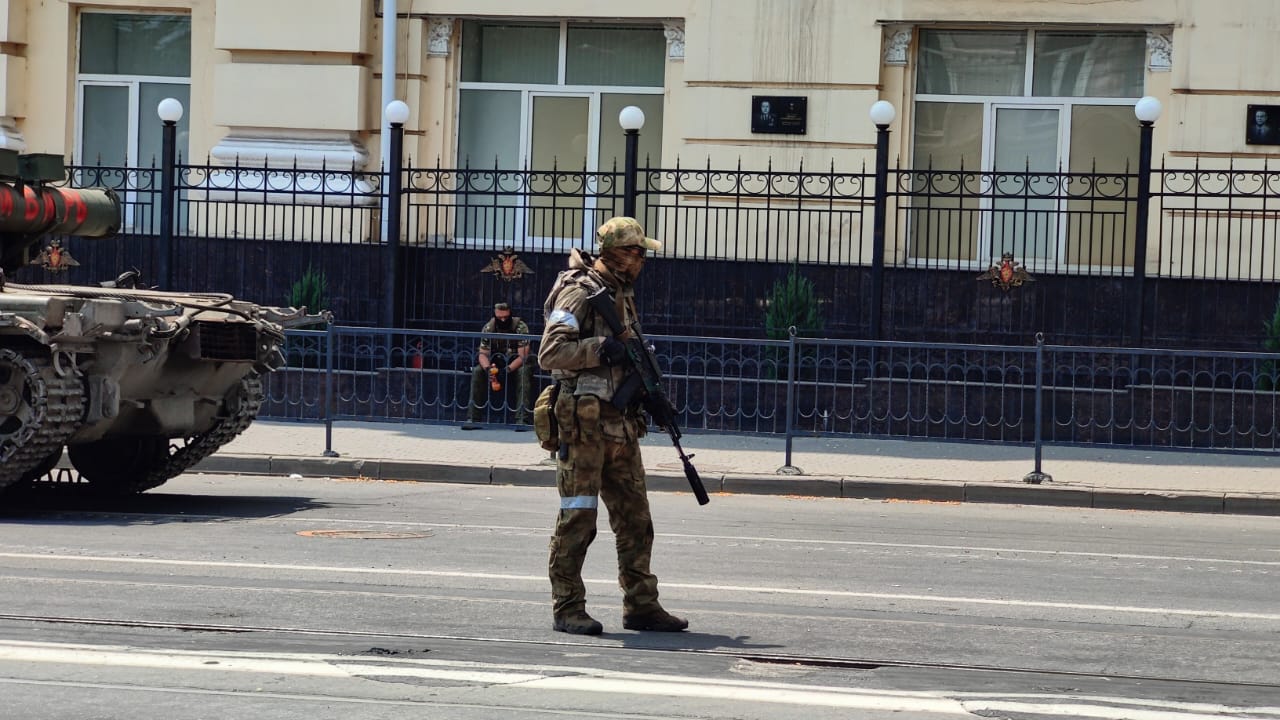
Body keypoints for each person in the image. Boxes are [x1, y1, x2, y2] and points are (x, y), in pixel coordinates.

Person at [537, 216, 688, 636]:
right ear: (619, 253)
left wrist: (649, 395)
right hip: (583, 428)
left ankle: (641, 605)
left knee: (636, 521)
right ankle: (568, 607)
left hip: (621, 426)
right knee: (578, 518)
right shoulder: (579, 292)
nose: (642, 261)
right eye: (637, 253)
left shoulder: (621, 294)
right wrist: (601, 349)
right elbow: (550, 353)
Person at [462, 302, 533, 430]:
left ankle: (522, 419)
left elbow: (523, 356)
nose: (503, 320)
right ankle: (473, 418)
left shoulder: (520, 327)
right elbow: (483, 354)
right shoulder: (489, 327)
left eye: (506, 317)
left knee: (523, 372)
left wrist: (507, 370)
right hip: (496, 363)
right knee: (478, 371)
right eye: (500, 318)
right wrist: (488, 369)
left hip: (515, 364)